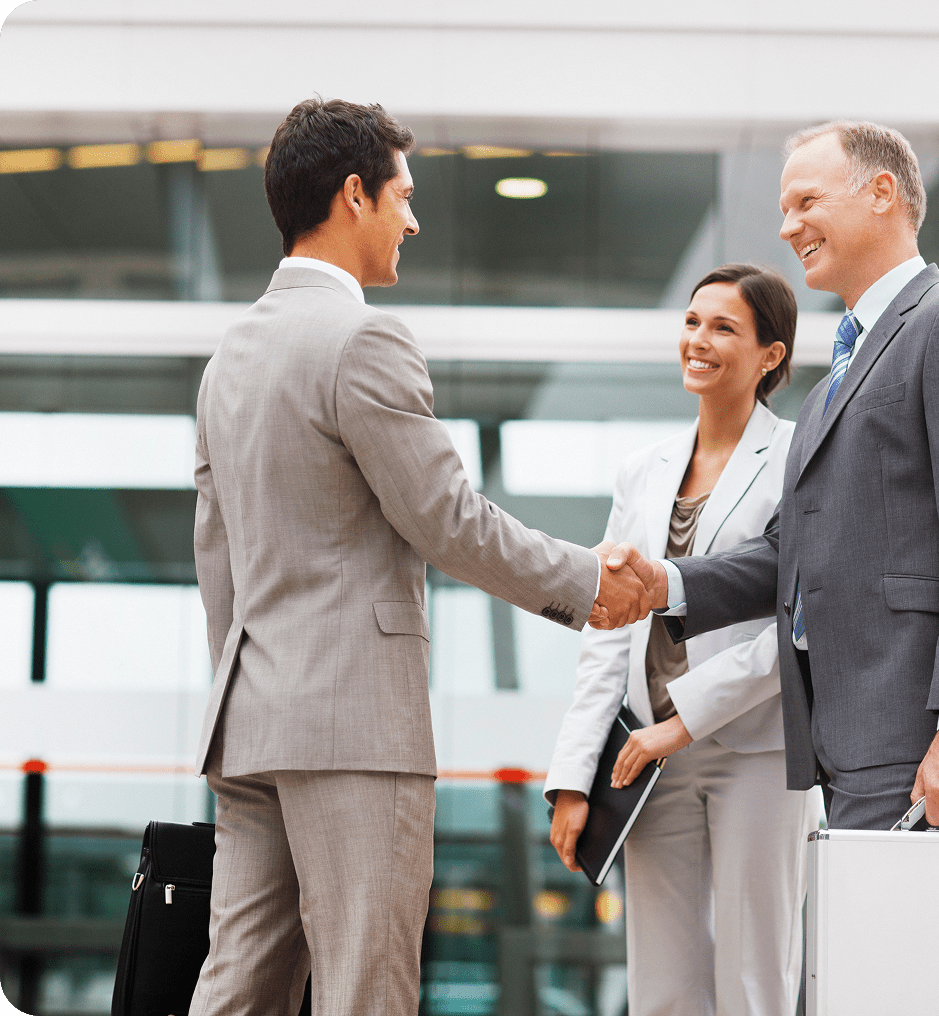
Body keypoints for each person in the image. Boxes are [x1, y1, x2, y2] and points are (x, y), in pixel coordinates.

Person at [189, 98, 649, 1016]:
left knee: (240, 984)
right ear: (353, 195)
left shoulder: (230, 355)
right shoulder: (362, 339)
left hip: (251, 717)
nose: (413, 218)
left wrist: (248, 684)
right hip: (353, 722)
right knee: (366, 988)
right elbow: (445, 517)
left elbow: (218, 555)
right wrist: (588, 582)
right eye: (403, 196)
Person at [601, 120, 939, 832]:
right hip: (845, 738)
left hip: (915, 731)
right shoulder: (836, 376)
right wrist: (666, 583)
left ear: (882, 193)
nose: (786, 227)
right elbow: (793, 554)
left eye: (805, 201)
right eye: (783, 209)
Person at [546, 264, 819, 1016]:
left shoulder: (801, 459)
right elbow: (608, 630)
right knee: (662, 986)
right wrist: (575, 776)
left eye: (723, 327)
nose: (698, 340)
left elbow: (798, 618)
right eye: (693, 322)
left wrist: (686, 719)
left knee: (752, 981)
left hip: (754, 751)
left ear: (771, 355)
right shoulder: (644, 470)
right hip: (644, 757)